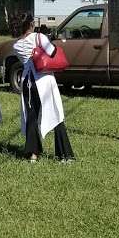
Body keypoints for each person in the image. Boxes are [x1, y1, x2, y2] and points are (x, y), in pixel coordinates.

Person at [11, 13, 76, 163]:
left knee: (31, 117)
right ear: (31, 24)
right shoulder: (38, 37)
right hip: (44, 79)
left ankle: (32, 153)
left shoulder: (16, 44)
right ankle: (64, 154)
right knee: (56, 114)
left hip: (27, 81)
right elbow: (52, 51)